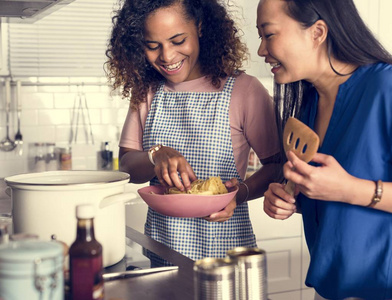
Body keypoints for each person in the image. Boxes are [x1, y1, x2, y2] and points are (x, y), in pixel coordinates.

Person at [105, 0, 281, 267]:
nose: (166, 56)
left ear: (199, 27)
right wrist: (156, 155)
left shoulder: (244, 90)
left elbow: (278, 166)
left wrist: (240, 193)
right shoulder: (148, 93)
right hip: (162, 251)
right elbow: (128, 168)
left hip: (225, 254)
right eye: (153, 46)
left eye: (178, 40)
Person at [257, 0, 392, 299]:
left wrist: (351, 189)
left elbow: (345, 190)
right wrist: (290, 199)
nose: (261, 51)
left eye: (269, 35)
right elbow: (329, 203)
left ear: (317, 32)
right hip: (329, 289)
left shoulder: (386, 86)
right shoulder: (309, 105)